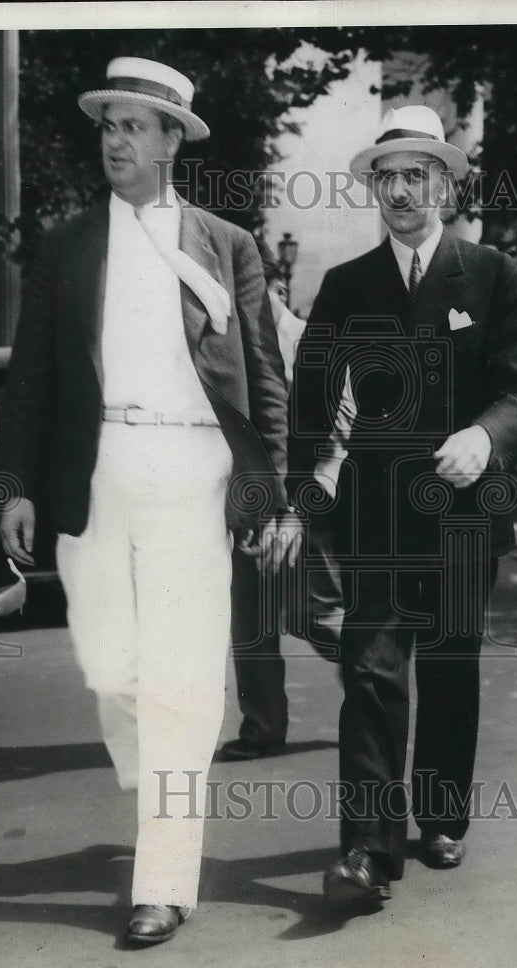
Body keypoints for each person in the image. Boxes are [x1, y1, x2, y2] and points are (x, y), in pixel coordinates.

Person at [0, 57, 298, 946]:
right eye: (107, 124)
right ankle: (165, 779)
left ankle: (161, 877)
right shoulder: (69, 243)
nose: (115, 140)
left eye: (133, 125)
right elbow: (32, 380)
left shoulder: (226, 244)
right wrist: (13, 487)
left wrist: (269, 494)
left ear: (173, 141)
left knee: (178, 682)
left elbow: (265, 382)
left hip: (193, 473)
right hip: (97, 475)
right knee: (111, 674)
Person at [288, 105, 517, 907]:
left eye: (415, 175)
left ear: (444, 183)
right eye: (385, 177)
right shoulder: (346, 286)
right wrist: (303, 500)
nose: (399, 191)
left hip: (468, 513)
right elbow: (309, 405)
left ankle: (440, 817)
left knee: (452, 666)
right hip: (376, 520)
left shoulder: (491, 274)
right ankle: (367, 850)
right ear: (372, 189)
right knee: (369, 673)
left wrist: (484, 436)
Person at [220, 253, 350, 761]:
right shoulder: (233, 340)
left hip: (300, 500)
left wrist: (299, 510)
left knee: (313, 612)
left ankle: (378, 688)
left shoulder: (307, 345)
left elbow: (338, 439)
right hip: (247, 494)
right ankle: (262, 728)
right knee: (249, 617)